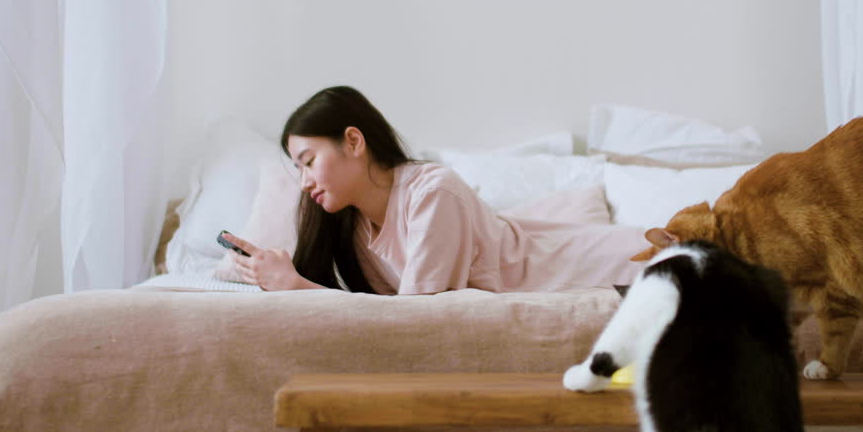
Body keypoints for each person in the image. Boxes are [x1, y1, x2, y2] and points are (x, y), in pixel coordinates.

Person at [222, 86, 647, 293]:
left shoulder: (432, 194)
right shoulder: (352, 229)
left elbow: (414, 327)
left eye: (309, 162)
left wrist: (296, 287)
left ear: (354, 141)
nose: (305, 182)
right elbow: (384, 320)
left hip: (608, 265)